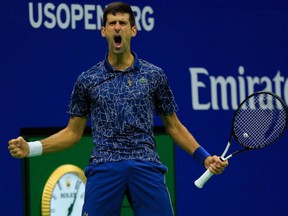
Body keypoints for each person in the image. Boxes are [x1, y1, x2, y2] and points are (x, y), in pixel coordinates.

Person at [8, 2, 228, 216]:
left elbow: (174, 126)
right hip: (104, 166)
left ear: (133, 30)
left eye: (122, 23)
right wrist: (31, 148)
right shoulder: (87, 80)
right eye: (112, 23)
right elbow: (72, 133)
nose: (117, 27)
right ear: (103, 31)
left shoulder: (154, 75)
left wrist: (204, 158)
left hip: (145, 164)